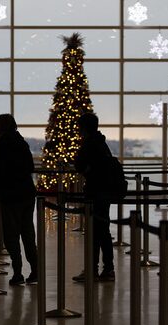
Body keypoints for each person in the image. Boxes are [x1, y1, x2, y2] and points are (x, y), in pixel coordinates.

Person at [0, 114, 38, 285]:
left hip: (10, 195)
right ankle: (35, 269)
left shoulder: (0, 144)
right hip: (27, 193)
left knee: (11, 235)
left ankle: (17, 272)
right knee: (28, 233)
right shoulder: (21, 142)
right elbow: (30, 167)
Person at [73, 112, 115, 282]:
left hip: (95, 192)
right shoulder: (102, 143)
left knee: (95, 232)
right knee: (103, 231)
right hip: (104, 191)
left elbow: (79, 164)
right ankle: (107, 268)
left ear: (83, 128)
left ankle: (93, 269)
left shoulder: (89, 144)